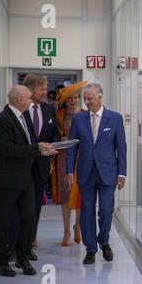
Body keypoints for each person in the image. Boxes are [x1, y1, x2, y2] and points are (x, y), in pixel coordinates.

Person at [0, 85, 57, 277]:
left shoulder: (23, 117)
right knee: (4, 221)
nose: (32, 100)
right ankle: (2, 261)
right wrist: (36, 149)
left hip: (25, 178)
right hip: (6, 179)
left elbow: (30, 145)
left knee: (29, 217)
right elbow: (9, 150)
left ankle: (22, 257)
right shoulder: (3, 120)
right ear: (19, 100)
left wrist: (44, 150)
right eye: (29, 97)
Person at [66, 83, 127, 264]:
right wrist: (69, 170)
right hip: (85, 173)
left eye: (90, 98)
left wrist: (122, 173)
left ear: (100, 97)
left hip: (108, 172)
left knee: (106, 210)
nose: (86, 102)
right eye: (85, 98)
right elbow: (72, 148)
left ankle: (104, 241)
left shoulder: (115, 118)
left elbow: (121, 147)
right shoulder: (78, 119)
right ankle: (90, 249)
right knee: (87, 212)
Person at [22, 74, 60, 261]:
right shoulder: (20, 110)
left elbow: (55, 134)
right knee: (20, 207)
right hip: (21, 167)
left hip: (41, 167)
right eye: (43, 89)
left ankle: (29, 242)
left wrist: (53, 147)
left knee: (35, 206)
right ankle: (16, 243)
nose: (46, 92)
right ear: (31, 90)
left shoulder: (48, 109)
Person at [51, 81, 87, 246]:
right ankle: (66, 230)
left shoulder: (85, 114)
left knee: (79, 194)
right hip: (63, 158)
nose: (74, 101)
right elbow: (51, 135)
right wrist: (61, 139)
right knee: (65, 195)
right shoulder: (59, 114)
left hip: (81, 159)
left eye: (76, 97)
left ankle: (77, 225)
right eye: (71, 98)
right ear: (66, 100)